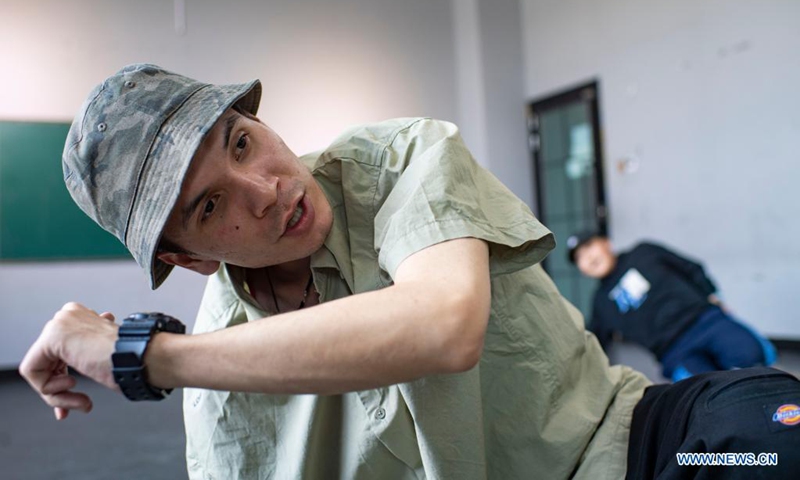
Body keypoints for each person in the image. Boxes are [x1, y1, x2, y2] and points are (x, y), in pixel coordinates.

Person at [18, 64, 800, 479]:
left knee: (773, 440)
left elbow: (442, 324)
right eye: (210, 205)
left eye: (241, 141)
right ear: (188, 257)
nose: (265, 190)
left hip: (645, 447)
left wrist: (148, 356)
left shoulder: (398, 160)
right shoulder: (222, 393)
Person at [567, 232, 777, 382]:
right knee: (704, 393)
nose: (588, 258)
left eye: (588, 247)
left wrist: (713, 296)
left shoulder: (644, 252)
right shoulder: (600, 302)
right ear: (582, 270)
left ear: (606, 243)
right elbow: (594, 343)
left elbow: (690, 268)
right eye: (579, 258)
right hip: (673, 352)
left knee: (753, 357)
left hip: (704, 320)